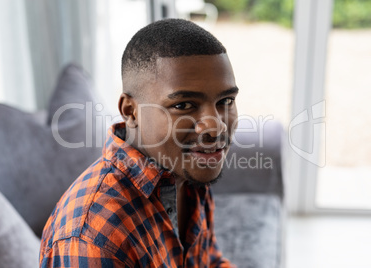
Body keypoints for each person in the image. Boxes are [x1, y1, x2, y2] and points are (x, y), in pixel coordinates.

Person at [40, 18, 239, 268]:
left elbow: (210, 262)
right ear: (131, 111)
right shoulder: (92, 239)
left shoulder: (189, 173)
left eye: (226, 101)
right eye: (183, 105)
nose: (216, 126)